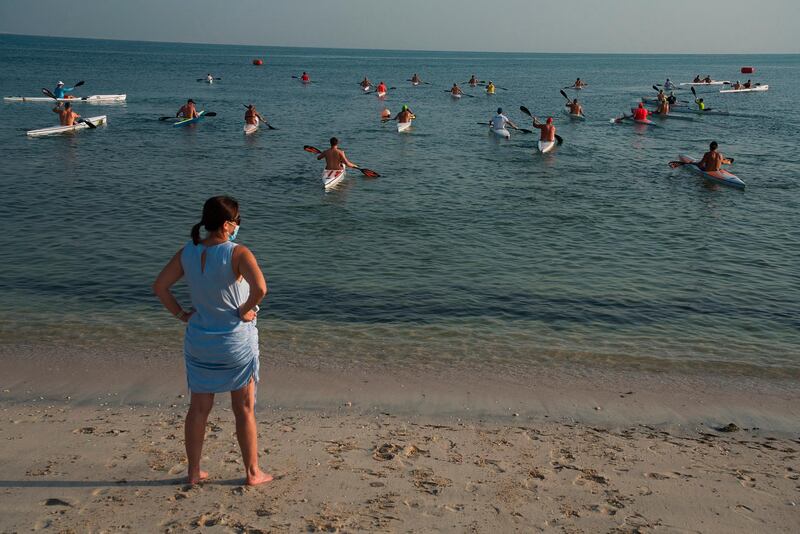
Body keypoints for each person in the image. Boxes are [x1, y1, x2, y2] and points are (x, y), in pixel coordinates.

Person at [152, 195, 271, 487]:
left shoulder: (187, 252)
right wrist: (245, 310)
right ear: (228, 224)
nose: (238, 225)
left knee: (198, 408)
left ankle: (194, 472)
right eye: (237, 220)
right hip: (234, 343)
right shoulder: (238, 253)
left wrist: (182, 314)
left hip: (200, 341)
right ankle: (252, 472)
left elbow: (160, 287)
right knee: (243, 408)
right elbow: (261, 289)